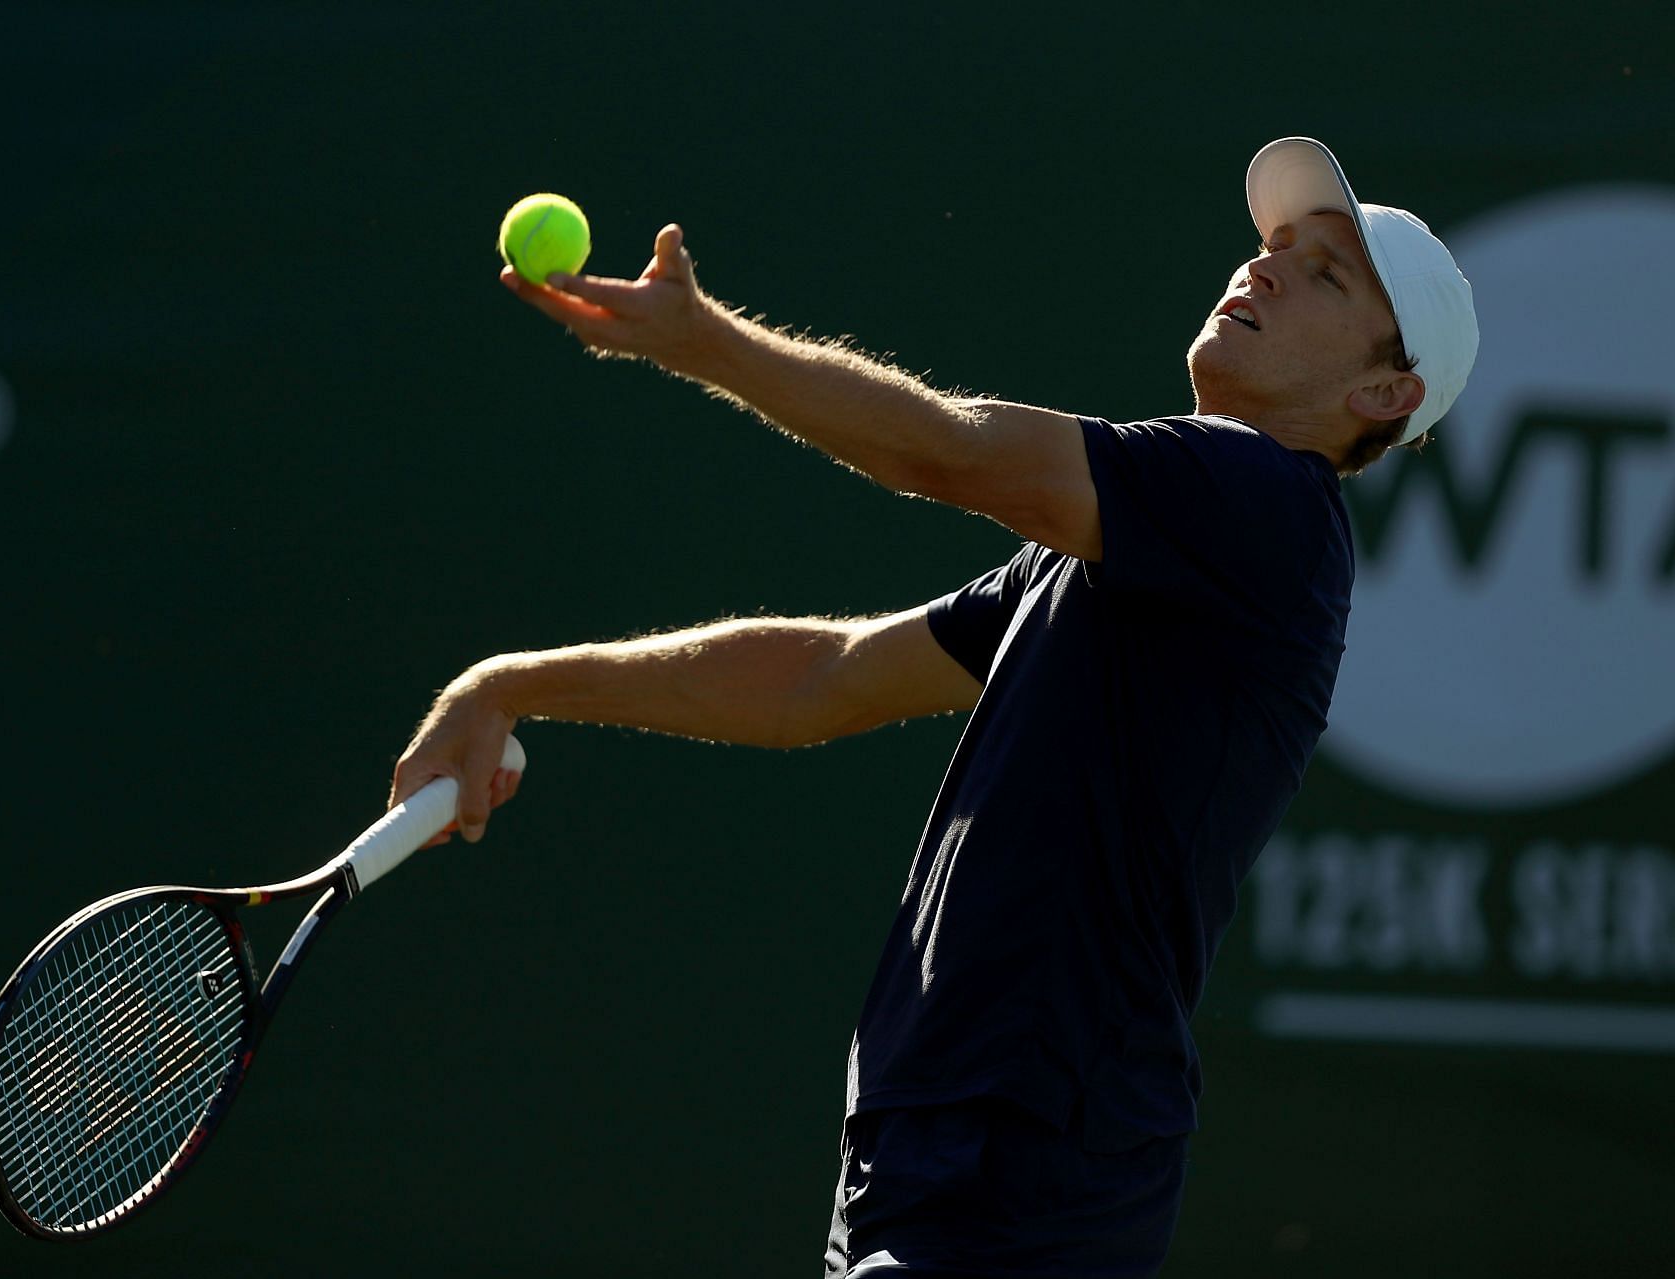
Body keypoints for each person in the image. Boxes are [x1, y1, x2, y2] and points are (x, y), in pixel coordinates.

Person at [389, 137, 1478, 1277]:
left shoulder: (1264, 504)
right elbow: (824, 677)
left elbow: (946, 454)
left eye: (1325, 276)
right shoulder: (1132, 548)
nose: (1263, 269)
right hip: (926, 1163)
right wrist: (509, 685)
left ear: (1382, 394)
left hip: (1031, 1169)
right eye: (1275, 248)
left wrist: (705, 342)